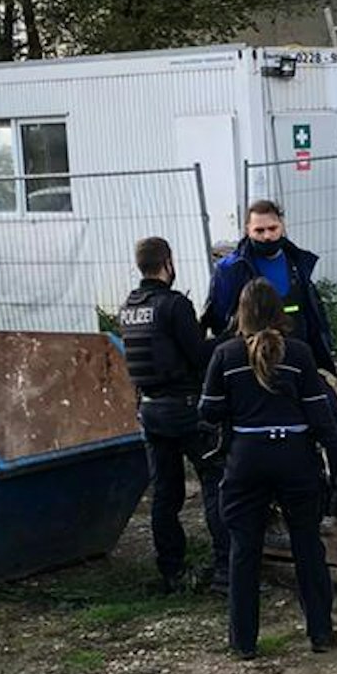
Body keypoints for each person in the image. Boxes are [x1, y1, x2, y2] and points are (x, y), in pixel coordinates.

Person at [198, 278, 337, 659]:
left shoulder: (225, 355)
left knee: (244, 549)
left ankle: (243, 642)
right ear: (279, 313)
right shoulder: (299, 355)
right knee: (307, 544)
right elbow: (322, 417)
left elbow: (208, 410)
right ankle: (320, 632)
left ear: (241, 313)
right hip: (296, 459)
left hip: (246, 461)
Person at [202, 199, 337, 529]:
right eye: (259, 230)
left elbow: (311, 313)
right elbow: (217, 321)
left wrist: (321, 356)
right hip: (251, 367)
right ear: (247, 231)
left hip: (299, 363)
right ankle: (265, 507)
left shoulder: (297, 262)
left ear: (283, 226)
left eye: (272, 228)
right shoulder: (231, 270)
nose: (266, 236)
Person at [119, 236, 226, 594]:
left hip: (150, 412)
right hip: (184, 409)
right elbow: (198, 356)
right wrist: (224, 339)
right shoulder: (173, 304)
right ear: (168, 263)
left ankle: (172, 571)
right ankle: (227, 568)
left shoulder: (129, 306)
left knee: (166, 495)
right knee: (215, 480)